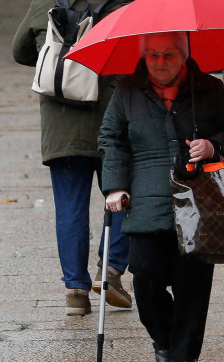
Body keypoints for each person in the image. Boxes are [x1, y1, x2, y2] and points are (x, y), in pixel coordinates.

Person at [98, 31, 224, 362]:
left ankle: (186, 357)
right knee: (146, 275)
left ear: (183, 56)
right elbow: (111, 140)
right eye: (152, 55)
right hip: (146, 195)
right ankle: (163, 339)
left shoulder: (209, 89)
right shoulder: (126, 92)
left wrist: (213, 146)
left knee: (193, 281)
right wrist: (115, 186)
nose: (160, 62)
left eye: (168, 54)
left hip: (200, 198)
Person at [12, 0, 133, 316]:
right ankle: (111, 270)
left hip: (62, 124)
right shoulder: (126, 5)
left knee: (70, 208)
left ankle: (75, 292)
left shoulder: (47, 3)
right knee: (124, 197)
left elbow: (19, 51)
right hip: (115, 120)